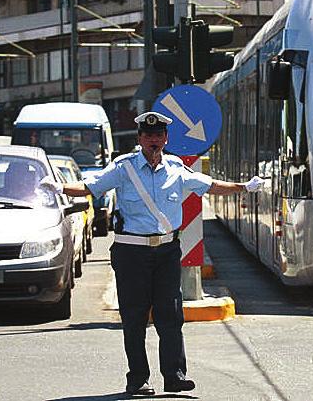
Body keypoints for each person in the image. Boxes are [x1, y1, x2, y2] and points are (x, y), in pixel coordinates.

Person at [40, 111, 263, 396]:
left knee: (170, 315)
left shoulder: (176, 168)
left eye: (159, 136)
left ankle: (174, 376)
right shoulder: (124, 167)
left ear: (166, 138)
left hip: (167, 250)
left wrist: (244, 187)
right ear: (140, 139)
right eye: (148, 136)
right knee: (134, 318)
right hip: (131, 252)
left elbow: (210, 186)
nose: (154, 141)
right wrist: (60, 188)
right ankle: (138, 379)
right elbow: (89, 187)